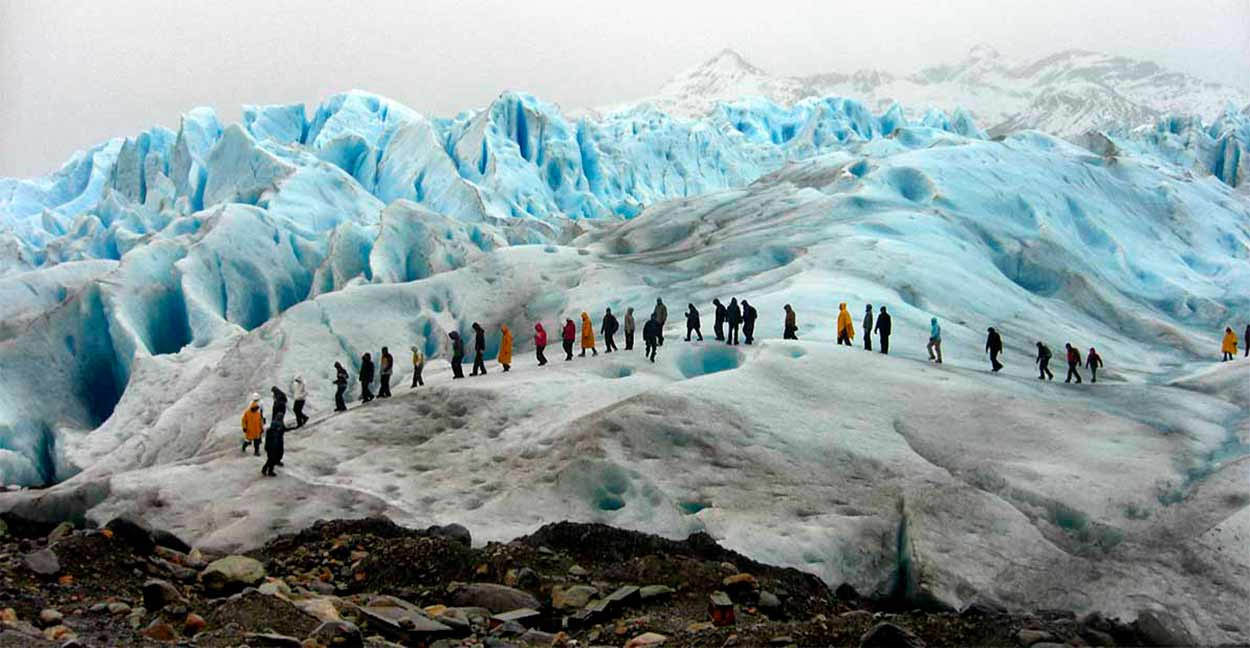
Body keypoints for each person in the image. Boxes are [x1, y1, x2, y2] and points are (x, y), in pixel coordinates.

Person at [262, 386, 287, 476]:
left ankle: (266, 469)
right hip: (274, 446)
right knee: (272, 458)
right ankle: (267, 470)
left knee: (271, 458)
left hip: (273, 446)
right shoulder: (276, 428)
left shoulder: (279, 401)